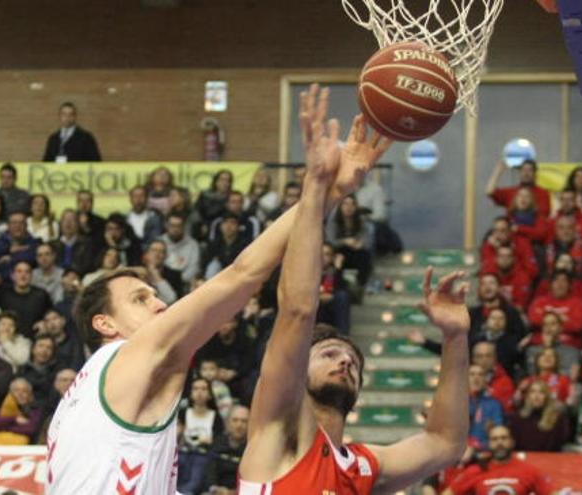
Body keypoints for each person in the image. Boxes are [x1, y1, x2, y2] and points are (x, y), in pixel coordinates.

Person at [46, 84, 391, 493]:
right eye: (140, 299)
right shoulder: (128, 354)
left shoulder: (78, 406)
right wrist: (326, 191)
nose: (159, 303)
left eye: (154, 293)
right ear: (105, 323)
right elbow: (243, 273)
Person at [240, 91, 467, 493]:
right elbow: (296, 311)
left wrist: (454, 337)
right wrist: (319, 188)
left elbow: (444, 444)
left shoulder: (361, 465)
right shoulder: (276, 431)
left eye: (353, 362)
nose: (345, 362)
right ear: (297, 370)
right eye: (329, 354)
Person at [443, 425, 552, 494]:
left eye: (504, 438)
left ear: (512, 442)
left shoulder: (529, 471)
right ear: (489, 444)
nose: (499, 443)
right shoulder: (475, 471)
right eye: (494, 439)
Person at [0, 261, 52, 340]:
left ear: (31, 276)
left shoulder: (41, 295)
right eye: (19, 271)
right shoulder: (3, 293)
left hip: (34, 340)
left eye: (27, 272)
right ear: (12, 276)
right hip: (8, 340)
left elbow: (51, 315)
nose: (23, 275)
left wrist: (44, 322)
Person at [178, 378, 225, 494]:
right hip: (183, 453)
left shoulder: (216, 417)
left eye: (204, 389)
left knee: (198, 471)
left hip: (204, 454)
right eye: (195, 389)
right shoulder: (183, 413)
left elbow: (219, 441)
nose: (199, 392)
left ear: (209, 394)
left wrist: (210, 441)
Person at [508, 380, 571, 452]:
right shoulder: (517, 419)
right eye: (533, 392)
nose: (536, 396)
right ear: (528, 396)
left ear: (547, 396)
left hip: (549, 460)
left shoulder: (558, 419)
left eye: (541, 392)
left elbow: (561, 443)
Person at [204, 405, 249, 495]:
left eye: (244, 421)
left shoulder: (253, 450)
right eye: (235, 420)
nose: (239, 425)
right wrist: (214, 488)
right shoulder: (218, 443)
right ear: (227, 423)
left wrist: (230, 493)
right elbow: (210, 471)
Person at [0, 377, 43, 443]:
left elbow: (31, 429)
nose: (20, 394)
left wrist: (3, 427)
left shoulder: (34, 410)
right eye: (16, 390)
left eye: (24, 391)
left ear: (29, 395)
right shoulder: (4, 408)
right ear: (10, 393)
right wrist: (14, 419)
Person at [485, 158, 551, 217]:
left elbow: (544, 216)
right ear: (519, 173)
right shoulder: (511, 192)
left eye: (530, 170)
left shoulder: (543, 193)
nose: (526, 173)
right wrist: (498, 170)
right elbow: (489, 191)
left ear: (535, 173)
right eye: (523, 170)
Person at [160, 213, 201, 287]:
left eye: (179, 226)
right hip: (164, 282)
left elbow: (194, 268)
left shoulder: (193, 244)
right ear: (166, 226)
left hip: (184, 283)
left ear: (183, 227)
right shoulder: (159, 242)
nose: (175, 229)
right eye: (172, 225)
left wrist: (179, 280)